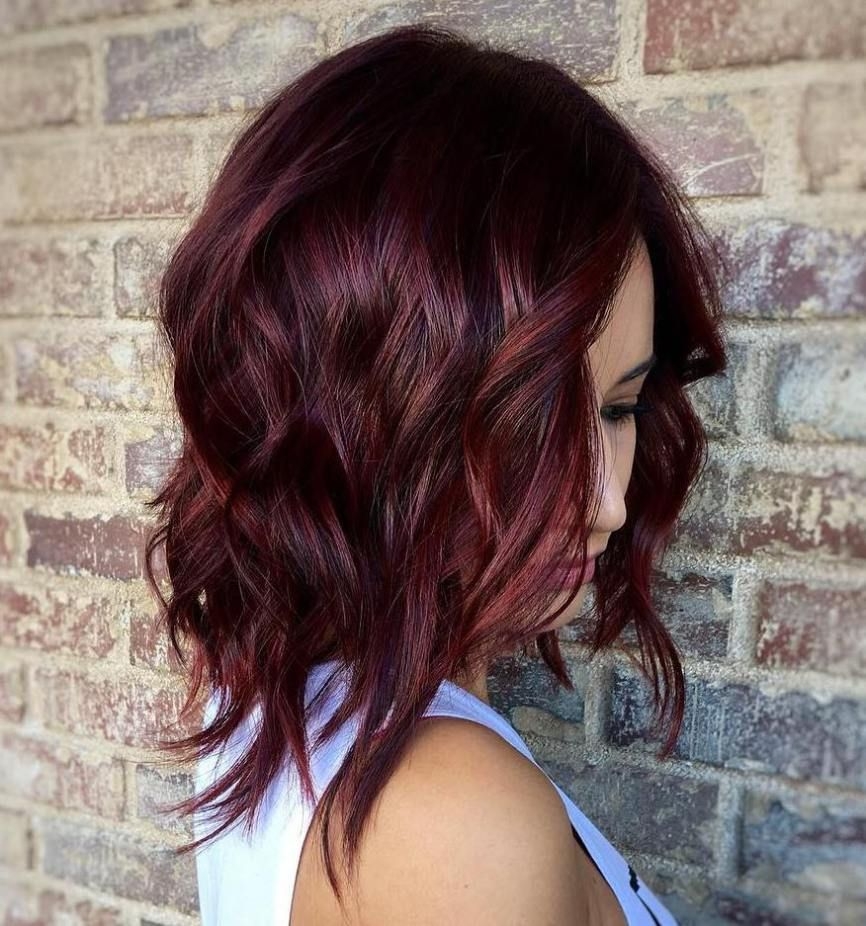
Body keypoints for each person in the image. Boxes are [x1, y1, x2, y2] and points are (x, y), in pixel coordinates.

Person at [143, 22, 728, 925]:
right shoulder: (458, 824)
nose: (607, 502)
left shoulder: (271, 696)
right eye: (527, 424)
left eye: (619, 411)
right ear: (360, 415)